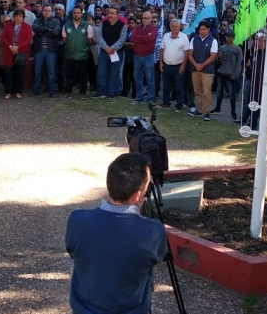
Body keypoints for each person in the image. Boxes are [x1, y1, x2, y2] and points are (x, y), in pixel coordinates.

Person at [65, 153, 168, 314]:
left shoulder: (77, 220)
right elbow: (158, 256)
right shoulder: (152, 231)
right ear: (136, 196)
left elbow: (73, 250)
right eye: (147, 186)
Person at [92, 7, 127, 99]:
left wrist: (112, 48)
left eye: (112, 13)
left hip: (116, 53)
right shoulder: (103, 23)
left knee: (114, 73)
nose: (110, 15)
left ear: (117, 15)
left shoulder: (122, 25)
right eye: (109, 13)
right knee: (101, 72)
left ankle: (111, 92)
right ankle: (101, 91)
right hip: (104, 53)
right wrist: (106, 47)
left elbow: (122, 39)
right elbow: (98, 37)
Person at [187, 20, 218, 121]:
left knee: (206, 92)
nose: (202, 31)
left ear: (208, 30)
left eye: (204, 29)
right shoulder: (194, 39)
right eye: (200, 29)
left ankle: (207, 112)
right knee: (197, 91)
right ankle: (199, 109)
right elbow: (190, 54)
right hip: (195, 69)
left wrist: (202, 65)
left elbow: (212, 56)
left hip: (207, 71)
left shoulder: (213, 41)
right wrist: (196, 65)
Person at [61, 6, 94, 99]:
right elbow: (64, 39)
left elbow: (90, 40)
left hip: (83, 55)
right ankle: (68, 91)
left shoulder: (87, 26)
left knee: (82, 74)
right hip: (69, 54)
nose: (76, 14)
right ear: (72, 14)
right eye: (74, 13)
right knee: (69, 74)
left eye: (78, 13)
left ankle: (82, 92)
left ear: (81, 14)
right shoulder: (66, 25)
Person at [159, 19, 191, 112]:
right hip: (166, 66)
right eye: (172, 26)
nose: (174, 28)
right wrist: (160, 62)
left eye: (176, 26)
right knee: (166, 86)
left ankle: (179, 104)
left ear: (179, 27)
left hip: (178, 66)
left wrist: (183, 65)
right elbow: (162, 50)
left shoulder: (184, 37)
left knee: (179, 87)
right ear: (170, 27)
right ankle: (166, 103)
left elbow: (186, 52)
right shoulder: (165, 36)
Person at [1, 8, 33, 100]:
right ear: (14, 17)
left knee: (20, 72)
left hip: (20, 52)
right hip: (9, 51)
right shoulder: (8, 26)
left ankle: (18, 91)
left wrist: (18, 46)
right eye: (17, 16)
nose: (18, 18)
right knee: (8, 72)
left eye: (20, 16)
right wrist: (10, 46)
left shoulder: (27, 27)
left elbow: (28, 39)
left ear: (23, 17)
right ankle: (8, 91)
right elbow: (3, 37)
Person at [30, 5, 61, 97]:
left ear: (52, 12)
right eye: (45, 10)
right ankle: (36, 90)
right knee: (37, 71)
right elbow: (35, 29)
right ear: (42, 11)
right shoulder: (37, 20)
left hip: (50, 49)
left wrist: (41, 32)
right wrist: (48, 29)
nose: (47, 12)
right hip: (39, 49)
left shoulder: (56, 21)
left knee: (51, 71)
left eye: (49, 10)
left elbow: (55, 32)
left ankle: (51, 91)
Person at [212, 30, 242, 120]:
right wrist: (219, 58)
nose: (229, 38)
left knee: (232, 94)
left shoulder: (237, 49)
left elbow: (239, 63)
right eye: (227, 36)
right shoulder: (221, 48)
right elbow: (217, 62)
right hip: (221, 72)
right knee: (219, 92)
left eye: (231, 37)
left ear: (233, 38)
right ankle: (217, 108)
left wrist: (236, 74)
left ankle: (233, 111)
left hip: (230, 74)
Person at [131, 11, 158, 103]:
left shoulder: (153, 28)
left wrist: (140, 37)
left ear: (150, 19)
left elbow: (151, 38)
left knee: (149, 78)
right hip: (137, 56)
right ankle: (139, 97)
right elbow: (132, 38)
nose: (144, 20)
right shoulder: (137, 28)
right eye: (143, 18)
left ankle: (151, 98)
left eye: (146, 18)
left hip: (148, 56)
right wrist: (144, 37)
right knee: (137, 77)